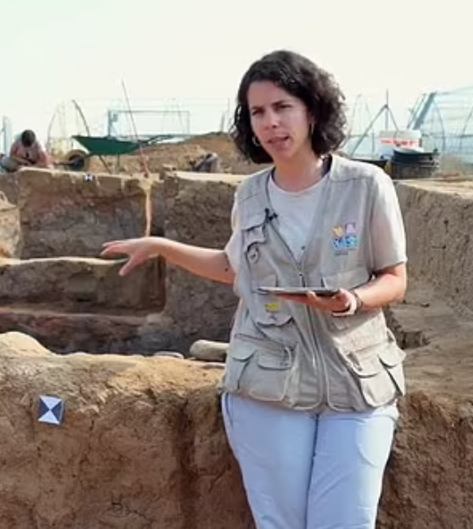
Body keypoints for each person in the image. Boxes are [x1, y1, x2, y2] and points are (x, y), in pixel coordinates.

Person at [100, 49, 407, 529]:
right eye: (258, 112)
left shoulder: (366, 186)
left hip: (355, 380)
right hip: (268, 381)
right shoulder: (250, 194)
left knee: (344, 522)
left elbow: (395, 278)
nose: (271, 123)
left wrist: (352, 300)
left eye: (282, 107)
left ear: (312, 109)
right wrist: (161, 245)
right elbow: (234, 267)